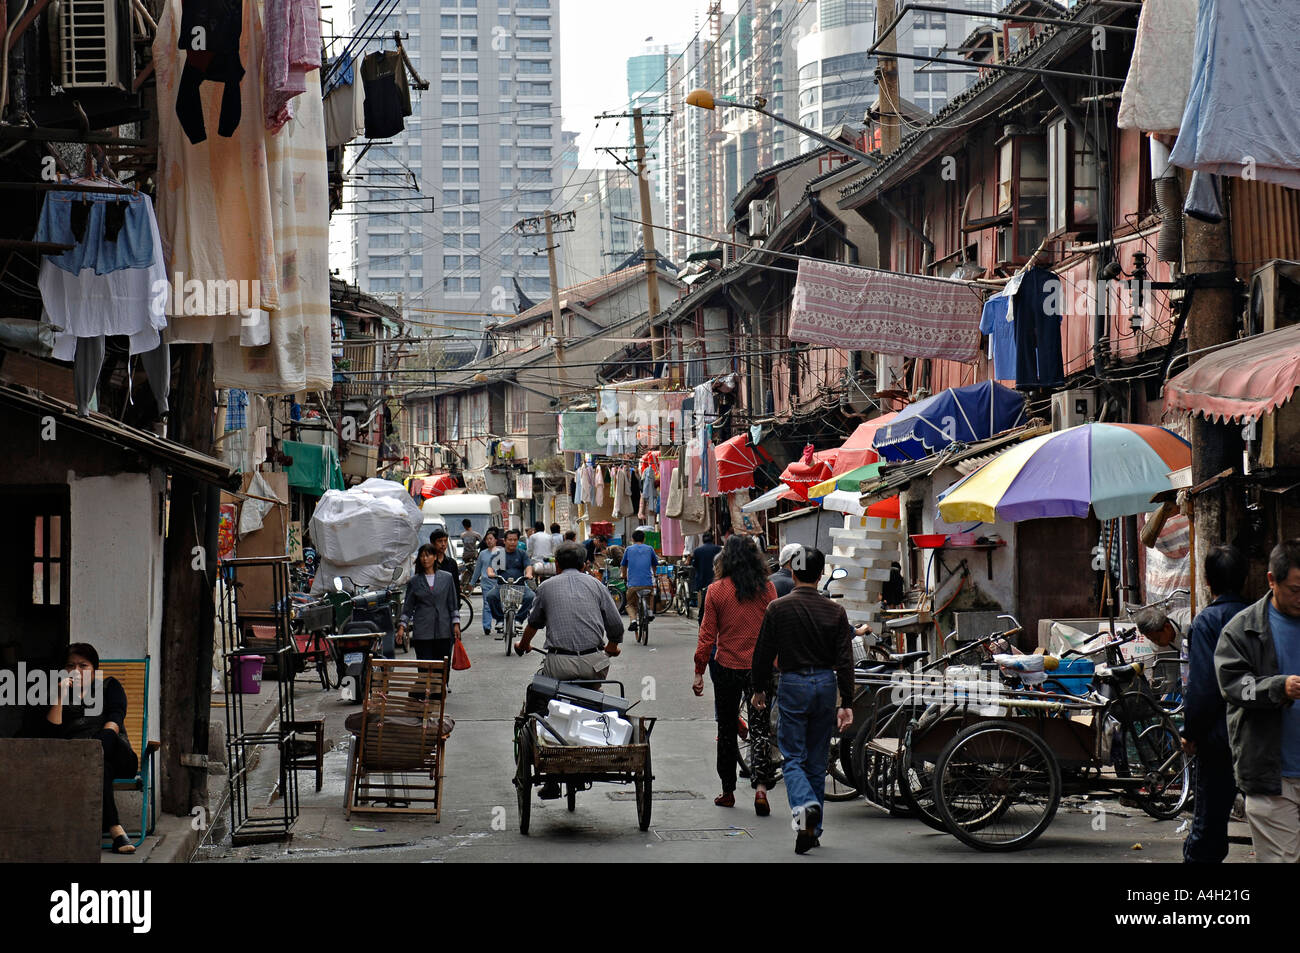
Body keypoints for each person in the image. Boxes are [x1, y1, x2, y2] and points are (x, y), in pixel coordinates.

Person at [751, 546, 854, 854]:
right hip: (825, 683)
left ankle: (806, 808)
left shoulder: (778, 608)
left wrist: (759, 689)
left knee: (793, 757)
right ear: (821, 573)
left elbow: (763, 653)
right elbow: (846, 660)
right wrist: (847, 701)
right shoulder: (835, 611)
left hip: (793, 683)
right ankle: (814, 828)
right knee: (816, 758)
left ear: (792, 573)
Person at [516, 541, 624, 799]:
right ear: (584, 564)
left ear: (558, 565)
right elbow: (616, 627)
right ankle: (596, 743)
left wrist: (523, 644)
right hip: (594, 666)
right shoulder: (596, 585)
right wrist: (611, 647)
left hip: (559, 665)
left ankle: (551, 770)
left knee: (540, 701)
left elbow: (533, 623)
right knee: (592, 700)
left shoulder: (547, 587)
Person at [1217, 538, 1300, 863]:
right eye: (1294, 589)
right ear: (1271, 580)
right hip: (1272, 778)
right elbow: (1235, 687)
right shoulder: (1242, 631)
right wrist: (1280, 688)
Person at [693, 536, 779, 814]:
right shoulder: (768, 589)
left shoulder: (715, 590)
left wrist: (698, 671)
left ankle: (727, 791)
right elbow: (773, 632)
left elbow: (707, 636)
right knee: (760, 729)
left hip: (727, 667)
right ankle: (761, 790)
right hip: (760, 670)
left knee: (727, 729)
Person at [1181, 544, 1250, 863]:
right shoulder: (1259, 616)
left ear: (1207, 581)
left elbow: (1204, 687)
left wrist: (1191, 732)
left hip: (1218, 739)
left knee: (1208, 825)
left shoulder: (1207, 622)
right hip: (1258, 734)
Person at [39, 643, 139, 853]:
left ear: (94, 669)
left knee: (96, 761)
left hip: (116, 751)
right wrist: (59, 696)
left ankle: (112, 829)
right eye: (70, 666)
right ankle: (116, 831)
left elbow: (115, 720)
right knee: (100, 769)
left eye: (83, 665)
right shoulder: (59, 693)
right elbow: (52, 735)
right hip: (80, 761)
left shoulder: (110, 686)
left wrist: (94, 748)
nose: (76, 671)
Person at [397, 544, 462, 687]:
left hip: (444, 628)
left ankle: (440, 689)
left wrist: (456, 624)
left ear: (434, 557)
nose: (425, 559)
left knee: (442, 662)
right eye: (422, 556)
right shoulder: (415, 581)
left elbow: (452, 603)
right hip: (423, 629)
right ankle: (425, 691)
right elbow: (408, 607)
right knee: (424, 664)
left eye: (428, 555)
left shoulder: (446, 578)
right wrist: (402, 627)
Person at [485, 528, 535, 633]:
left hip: (520, 586)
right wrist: (491, 573)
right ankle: (499, 619)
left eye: (515, 540)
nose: (512, 542)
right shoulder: (499, 554)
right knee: (490, 596)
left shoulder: (522, 554)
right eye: (510, 540)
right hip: (501, 586)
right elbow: (490, 567)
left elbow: (528, 566)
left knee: (531, 597)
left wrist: (529, 574)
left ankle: (519, 619)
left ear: (518, 541)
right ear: (505, 541)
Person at [622, 529, 659, 640]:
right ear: (644, 539)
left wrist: (623, 575)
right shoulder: (650, 549)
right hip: (647, 583)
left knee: (629, 604)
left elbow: (623, 565)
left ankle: (633, 620)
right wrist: (655, 574)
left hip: (633, 585)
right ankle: (651, 612)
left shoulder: (628, 549)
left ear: (632, 539)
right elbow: (654, 564)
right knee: (651, 594)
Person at [470, 528, 500, 636]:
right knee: (487, 605)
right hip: (486, 583)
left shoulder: (501, 552)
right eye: (487, 539)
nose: (489, 541)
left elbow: (504, 568)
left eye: (491, 539)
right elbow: (477, 569)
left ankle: (499, 623)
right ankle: (487, 626)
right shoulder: (482, 554)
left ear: (495, 540)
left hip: (498, 582)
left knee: (498, 604)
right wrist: (472, 583)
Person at [690, 532, 722, 609]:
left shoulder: (697, 551)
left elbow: (694, 565)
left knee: (704, 601)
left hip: (702, 579)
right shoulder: (719, 549)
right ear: (713, 539)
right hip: (715, 578)